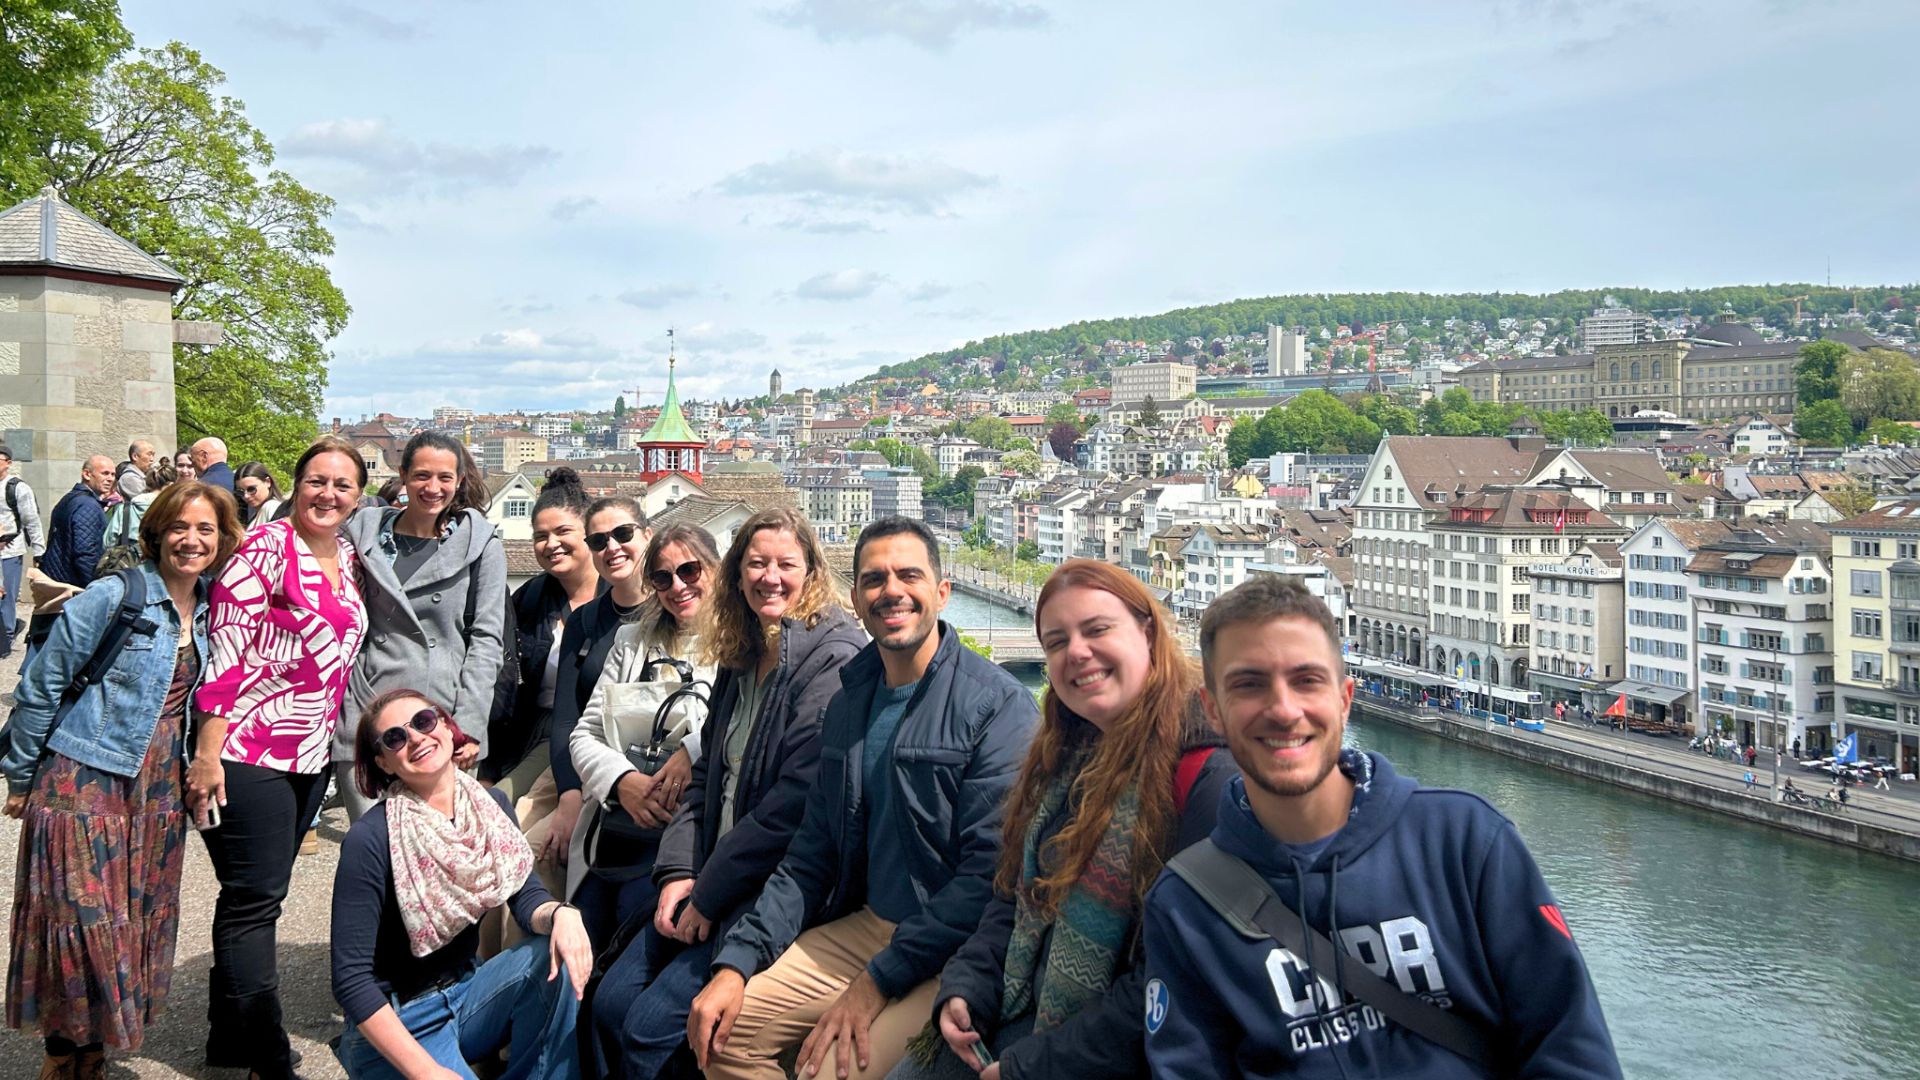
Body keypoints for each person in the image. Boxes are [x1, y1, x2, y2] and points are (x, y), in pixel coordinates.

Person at [1141, 575, 1620, 1078]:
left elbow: (1571, 1050)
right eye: (1249, 684)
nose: (1283, 709)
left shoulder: (1465, 840)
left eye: (1307, 680)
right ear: (1213, 709)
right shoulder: (1186, 907)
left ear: (1345, 698)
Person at [687, 516, 1039, 1080]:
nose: (891, 591)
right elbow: (811, 851)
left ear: (942, 592)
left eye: (908, 576)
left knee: (829, 1072)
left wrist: (875, 982)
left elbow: (986, 877)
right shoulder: (852, 699)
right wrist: (738, 961)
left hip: (952, 948)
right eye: (875, 579)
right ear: (855, 597)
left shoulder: (996, 707)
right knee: (721, 1034)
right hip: (870, 926)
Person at [896, 559, 1236, 1080]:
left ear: (1148, 631)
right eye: (1056, 642)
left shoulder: (1205, 780)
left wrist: (1033, 1067)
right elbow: (1012, 896)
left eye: (1097, 629)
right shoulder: (1064, 758)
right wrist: (968, 984)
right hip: (1023, 1026)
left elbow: (1174, 981)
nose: (1076, 652)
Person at [596, 508, 863, 1079]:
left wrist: (707, 895)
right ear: (738, 575)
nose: (771, 577)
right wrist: (675, 874)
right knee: (610, 1003)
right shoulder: (744, 654)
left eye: (786, 564)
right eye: (757, 563)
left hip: (771, 891)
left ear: (811, 571)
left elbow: (786, 813)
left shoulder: (830, 661)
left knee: (648, 1027)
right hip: (712, 875)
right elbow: (704, 779)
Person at [1, 482, 241, 1078]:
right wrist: (21, 776)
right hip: (82, 777)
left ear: (221, 538)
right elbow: (40, 686)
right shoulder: (114, 596)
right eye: (180, 528)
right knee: (79, 920)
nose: (192, 540)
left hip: (159, 789)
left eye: (205, 529)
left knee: (131, 917)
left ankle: (96, 1048)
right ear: (156, 533)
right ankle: (63, 1053)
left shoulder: (216, 607)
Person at [189, 435, 371, 1079]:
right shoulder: (264, 551)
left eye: (342, 485)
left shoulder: (347, 556)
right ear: (297, 485)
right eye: (317, 481)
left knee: (253, 894)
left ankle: (226, 1039)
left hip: (309, 752)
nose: (328, 494)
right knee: (255, 902)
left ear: (358, 496)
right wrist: (208, 755)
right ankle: (266, 1055)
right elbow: (225, 656)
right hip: (245, 748)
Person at [330, 688, 592, 1080]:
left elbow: (525, 894)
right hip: (403, 1019)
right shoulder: (371, 839)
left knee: (554, 954)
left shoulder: (490, 808)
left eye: (423, 721)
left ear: (447, 728)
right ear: (384, 762)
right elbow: (351, 981)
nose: (416, 738)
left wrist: (561, 915)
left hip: (468, 991)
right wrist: (425, 1072)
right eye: (396, 738)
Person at [565, 524, 723, 947]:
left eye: (690, 571)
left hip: (687, 836)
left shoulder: (738, 646)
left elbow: (744, 725)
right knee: (583, 934)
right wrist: (622, 783)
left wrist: (692, 750)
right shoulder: (631, 642)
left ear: (716, 571)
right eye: (662, 578)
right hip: (618, 830)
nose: (678, 586)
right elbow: (585, 734)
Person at [338, 432, 506, 822]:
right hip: (367, 709)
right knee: (373, 845)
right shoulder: (360, 534)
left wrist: (469, 725)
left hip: (439, 717)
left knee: (441, 851)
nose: (433, 488)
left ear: (460, 480)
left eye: (445, 478)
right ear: (403, 475)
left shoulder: (480, 544)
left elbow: (486, 638)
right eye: (422, 476)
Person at [536, 497, 653, 892]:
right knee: (527, 849)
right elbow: (566, 717)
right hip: (585, 763)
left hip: (649, 771)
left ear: (647, 536)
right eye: (599, 541)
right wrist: (569, 794)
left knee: (538, 854)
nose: (612, 548)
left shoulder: (674, 611)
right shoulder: (586, 621)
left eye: (622, 534)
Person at [0, 443, 46, 660]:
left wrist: (39, 552)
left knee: (5, 596)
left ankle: (7, 637)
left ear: (8, 463)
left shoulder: (18, 488)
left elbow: (31, 520)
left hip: (9, 550)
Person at [40, 455, 114, 589]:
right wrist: (95, 587)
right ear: (87, 474)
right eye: (105, 473)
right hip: (72, 585)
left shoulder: (71, 498)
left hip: (60, 580)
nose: (110, 479)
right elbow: (85, 552)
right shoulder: (88, 505)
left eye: (113, 474)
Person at [233, 461, 285, 530]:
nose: (246, 496)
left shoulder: (272, 507)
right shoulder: (258, 512)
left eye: (251, 489)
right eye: (240, 491)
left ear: (267, 482)